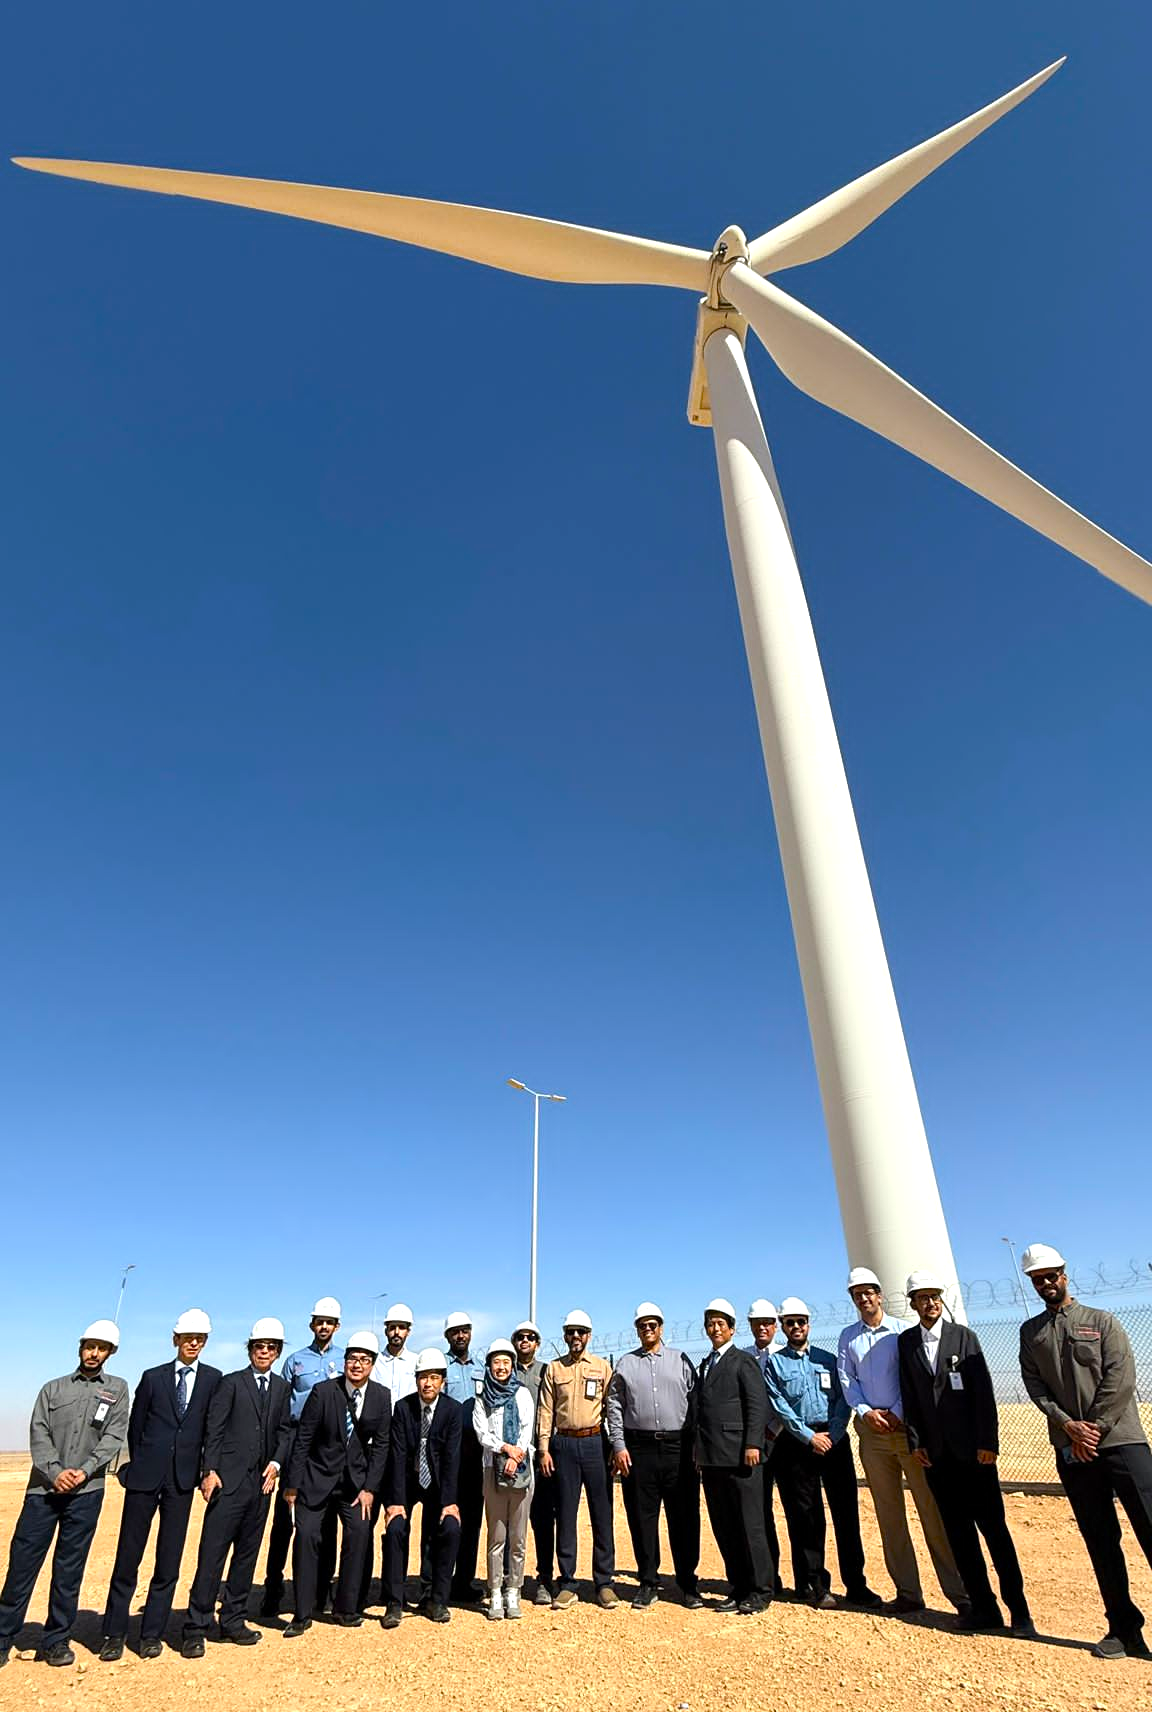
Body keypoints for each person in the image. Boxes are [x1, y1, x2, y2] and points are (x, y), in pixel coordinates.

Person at [1019, 1242, 1152, 1660]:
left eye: (1050, 1276)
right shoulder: (1031, 1332)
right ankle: (1123, 1629)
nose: (1045, 1284)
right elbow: (1035, 1386)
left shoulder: (1102, 1321)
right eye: (1037, 1279)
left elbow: (1120, 1377)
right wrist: (1068, 1426)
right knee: (1100, 1540)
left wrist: (1094, 1427)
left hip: (1121, 1441)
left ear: (1064, 1273)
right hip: (1072, 1448)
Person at [897, 1271, 1033, 1639]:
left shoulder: (964, 1338)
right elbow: (910, 1396)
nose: (930, 1303)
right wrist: (916, 1442)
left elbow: (983, 1393)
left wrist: (988, 1442)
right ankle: (983, 1609)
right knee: (959, 1537)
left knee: (995, 1533)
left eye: (934, 1296)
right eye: (922, 1298)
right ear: (912, 1304)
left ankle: (1019, 1612)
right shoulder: (907, 1343)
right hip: (938, 1459)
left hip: (975, 1455)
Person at [836, 1267, 966, 1616]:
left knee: (932, 1512)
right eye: (857, 1294)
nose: (864, 1298)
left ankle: (960, 1594)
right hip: (872, 1434)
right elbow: (847, 1379)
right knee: (890, 1517)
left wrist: (895, 1410)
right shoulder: (848, 1337)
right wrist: (865, 1412)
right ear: (853, 1299)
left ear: (880, 1295)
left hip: (908, 1431)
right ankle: (908, 1592)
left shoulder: (901, 1333)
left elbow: (912, 1377)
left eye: (869, 1292)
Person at [0, 1321, 128, 1669]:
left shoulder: (117, 1390)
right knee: (22, 1565)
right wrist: (56, 1473)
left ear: (110, 1353)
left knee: (69, 1569)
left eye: (102, 1348)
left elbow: (114, 1437)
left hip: (87, 1493)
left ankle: (56, 1640)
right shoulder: (52, 1389)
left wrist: (84, 1471)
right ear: (80, 1346)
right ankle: (2, 1636)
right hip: (43, 1490)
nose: (94, 1353)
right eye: (89, 1345)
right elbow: (38, 1433)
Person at [101, 1309, 222, 1661]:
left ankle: (151, 1633)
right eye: (188, 1338)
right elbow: (136, 1427)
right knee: (128, 1557)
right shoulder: (152, 1378)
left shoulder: (213, 1380)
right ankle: (113, 1633)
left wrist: (201, 1469)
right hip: (145, 1479)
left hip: (181, 1483)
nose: (193, 1343)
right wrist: (141, 1464)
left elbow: (210, 1429)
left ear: (205, 1342)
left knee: (168, 1561)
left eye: (199, 1338)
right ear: (176, 1340)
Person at [182, 1318, 293, 1656]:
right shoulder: (230, 1383)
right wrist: (210, 1470)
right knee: (212, 1557)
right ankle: (195, 1628)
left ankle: (232, 1620)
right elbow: (213, 1429)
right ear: (250, 1349)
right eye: (259, 1346)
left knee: (246, 1557)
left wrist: (275, 1464)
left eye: (271, 1347)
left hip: (261, 1487)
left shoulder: (282, 1389)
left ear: (277, 1352)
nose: (265, 1351)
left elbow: (285, 1431)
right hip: (227, 1484)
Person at [765, 1298, 880, 1611]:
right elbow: (779, 1406)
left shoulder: (828, 1359)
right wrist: (808, 1436)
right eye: (790, 1322)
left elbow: (845, 1396)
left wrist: (836, 1431)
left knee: (846, 1514)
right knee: (807, 1517)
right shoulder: (775, 1364)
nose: (796, 1327)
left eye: (801, 1321)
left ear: (808, 1324)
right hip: (798, 1444)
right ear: (783, 1327)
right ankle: (817, 1584)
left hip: (834, 1439)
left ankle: (856, 1584)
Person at [282, 1330, 391, 1637]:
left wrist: (370, 1489)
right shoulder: (323, 1392)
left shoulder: (381, 1396)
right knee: (305, 1537)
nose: (357, 1365)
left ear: (372, 1365)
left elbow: (381, 1446)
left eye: (364, 1360)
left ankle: (346, 1608)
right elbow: (303, 1438)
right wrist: (293, 1485)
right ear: (344, 1362)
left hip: (355, 1485)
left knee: (358, 1535)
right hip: (316, 1479)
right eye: (352, 1358)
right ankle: (302, 1614)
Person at [607, 1302, 702, 1610]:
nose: (648, 1330)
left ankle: (688, 1583)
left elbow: (696, 1403)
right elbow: (614, 1407)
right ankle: (648, 1582)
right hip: (639, 1450)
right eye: (642, 1326)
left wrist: (697, 1446)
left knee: (684, 1517)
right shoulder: (625, 1364)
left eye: (652, 1325)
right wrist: (619, 1446)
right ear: (637, 1330)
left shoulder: (682, 1361)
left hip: (679, 1449)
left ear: (661, 1327)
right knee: (642, 1518)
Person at [260, 1297, 345, 1620]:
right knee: (285, 1520)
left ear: (337, 1326)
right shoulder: (295, 1360)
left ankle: (322, 1589)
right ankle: (273, 1588)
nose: (323, 1326)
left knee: (326, 1522)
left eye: (329, 1322)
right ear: (312, 1325)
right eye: (319, 1321)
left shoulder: (345, 1359)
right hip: (298, 1443)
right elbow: (282, 1403)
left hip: (329, 1446)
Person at [691, 1297, 772, 1615]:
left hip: (741, 1457)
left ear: (732, 1328)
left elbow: (757, 1404)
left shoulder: (742, 1361)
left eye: (720, 1323)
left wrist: (753, 1443)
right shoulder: (706, 1363)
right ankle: (738, 1587)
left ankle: (761, 1590)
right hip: (712, 1459)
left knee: (750, 1525)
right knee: (724, 1526)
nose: (715, 1328)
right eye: (710, 1323)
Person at [536, 1309, 617, 1609]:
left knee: (602, 1514)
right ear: (565, 1335)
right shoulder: (555, 1370)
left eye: (581, 1332)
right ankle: (567, 1582)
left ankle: (604, 1582)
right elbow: (545, 1411)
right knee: (566, 1515)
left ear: (589, 1336)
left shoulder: (601, 1367)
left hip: (595, 1443)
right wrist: (544, 1449)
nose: (575, 1337)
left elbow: (612, 1406)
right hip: (564, 1446)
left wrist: (614, 1445)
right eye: (570, 1332)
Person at [381, 1348, 462, 1628]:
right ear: (415, 1380)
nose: (427, 1383)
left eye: (433, 1377)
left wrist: (450, 1502)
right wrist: (396, 1502)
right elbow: (398, 1454)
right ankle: (394, 1600)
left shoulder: (452, 1410)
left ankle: (436, 1598)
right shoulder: (403, 1408)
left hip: (438, 1483)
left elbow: (452, 1457)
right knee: (396, 1529)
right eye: (422, 1378)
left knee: (448, 1528)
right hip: (407, 1479)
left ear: (442, 1381)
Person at [474, 1340, 535, 1620]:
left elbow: (527, 1428)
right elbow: (482, 1433)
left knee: (518, 1536)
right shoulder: (482, 1397)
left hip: (521, 1470)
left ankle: (515, 1589)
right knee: (496, 1535)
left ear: (512, 1365)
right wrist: (505, 1449)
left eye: (506, 1362)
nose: (501, 1367)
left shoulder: (522, 1394)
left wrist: (516, 1454)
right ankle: (496, 1590)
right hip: (493, 1469)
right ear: (489, 1365)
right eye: (496, 1362)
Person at [511, 1319, 557, 1606]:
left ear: (537, 1343)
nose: (525, 1341)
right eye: (520, 1337)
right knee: (511, 1520)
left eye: (530, 1337)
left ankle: (544, 1579)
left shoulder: (545, 1371)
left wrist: (544, 1449)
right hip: (512, 1455)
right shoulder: (504, 1370)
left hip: (539, 1453)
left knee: (542, 1519)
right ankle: (510, 1579)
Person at [442, 1311, 485, 1603]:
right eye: (455, 1332)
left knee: (472, 1520)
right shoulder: (440, 1367)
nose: (460, 1336)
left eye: (465, 1330)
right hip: (448, 1450)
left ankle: (464, 1581)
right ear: (447, 1336)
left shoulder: (482, 1368)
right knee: (445, 1519)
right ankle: (438, 1582)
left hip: (476, 1453)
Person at [744, 1298, 785, 1597]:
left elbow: (790, 1399)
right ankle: (770, 1575)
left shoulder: (786, 1356)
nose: (762, 1328)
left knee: (798, 1513)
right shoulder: (745, 1358)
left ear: (776, 1326)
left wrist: (773, 1430)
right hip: (756, 1445)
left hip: (786, 1441)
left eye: (768, 1323)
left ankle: (809, 1579)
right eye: (757, 1323)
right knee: (760, 1512)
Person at [373, 1305, 418, 1402]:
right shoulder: (375, 1362)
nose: (397, 1332)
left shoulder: (416, 1362)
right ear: (386, 1331)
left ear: (408, 1332)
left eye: (401, 1327)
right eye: (392, 1328)